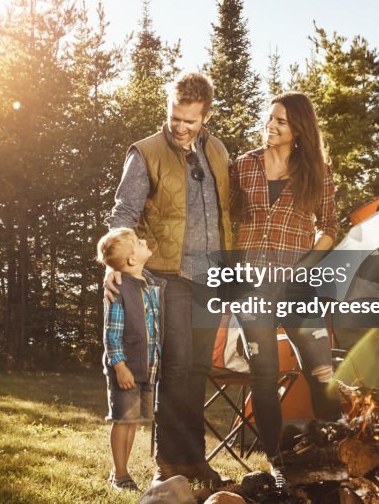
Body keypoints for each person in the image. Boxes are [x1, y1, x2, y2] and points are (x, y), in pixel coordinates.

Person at [105, 72, 232, 487]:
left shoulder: (217, 151)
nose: (179, 127)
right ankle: (168, 462)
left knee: (197, 368)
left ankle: (192, 458)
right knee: (176, 367)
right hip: (168, 274)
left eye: (189, 121)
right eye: (174, 117)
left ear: (206, 116)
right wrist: (114, 267)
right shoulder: (145, 152)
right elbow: (124, 213)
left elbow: (225, 212)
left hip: (212, 276)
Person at [229, 91, 342, 469]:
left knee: (320, 368)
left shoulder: (317, 172)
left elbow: (330, 227)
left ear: (299, 130)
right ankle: (278, 461)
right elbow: (224, 218)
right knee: (264, 375)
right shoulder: (242, 166)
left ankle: (333, 452)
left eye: (281, 122)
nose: (271, 127)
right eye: (270, 118)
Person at [97, 227, 163, 492]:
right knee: (122, 420)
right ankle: (120, 474)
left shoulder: (148, 284)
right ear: (132, 259)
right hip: (126, 367)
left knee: (133, 420)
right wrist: (120, 366)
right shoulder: (119, 290)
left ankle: (121, 470)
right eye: (137, 241)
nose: (143, 240)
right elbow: (111, 332)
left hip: (146, 367)